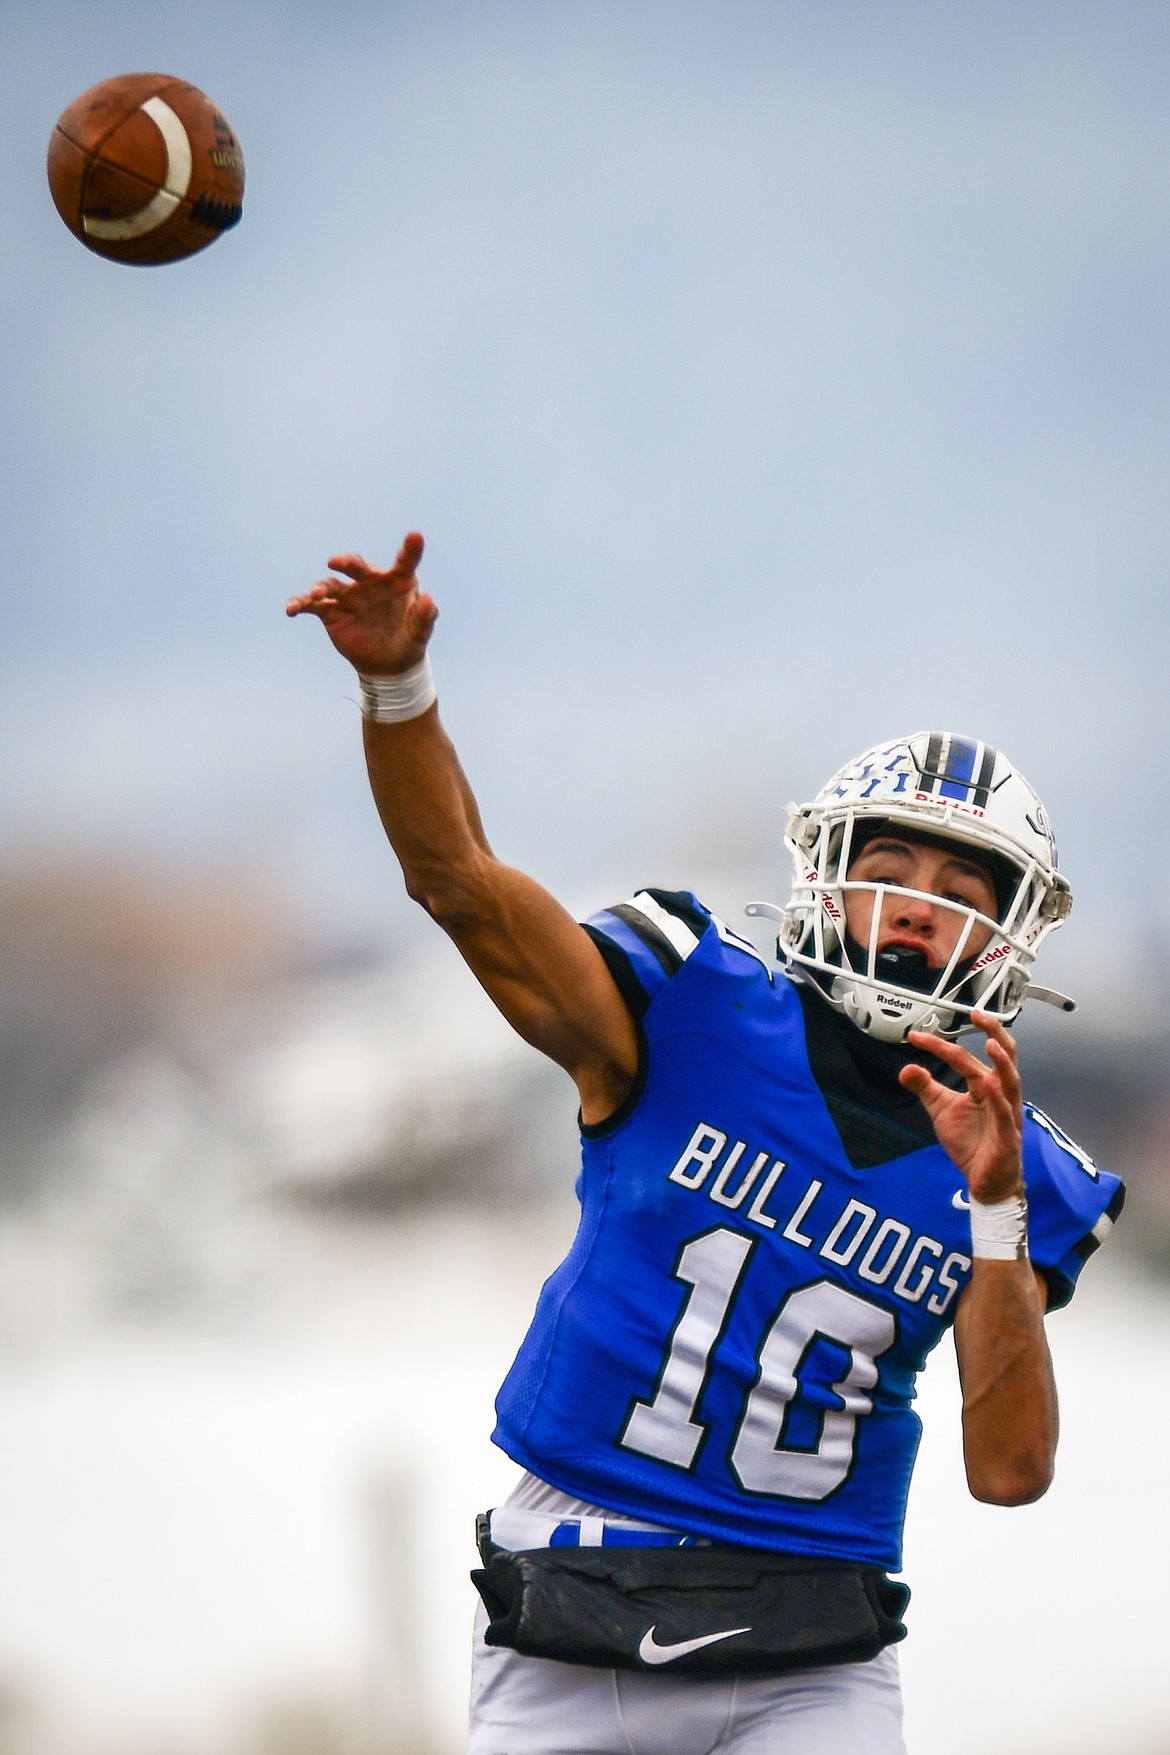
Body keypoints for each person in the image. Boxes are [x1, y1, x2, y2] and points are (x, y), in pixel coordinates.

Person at [288, 534, 1124, 1755]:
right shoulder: (685, 1002)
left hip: (815, 1652)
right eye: (887, 869)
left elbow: (1011, 1474)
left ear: (1009, 937)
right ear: (823, 880)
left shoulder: (1014, 1162)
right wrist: (397, 693)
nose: (911, 908)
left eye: (960, 889)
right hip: (574, 1594)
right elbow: (461, 883)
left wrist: (993, 1210)